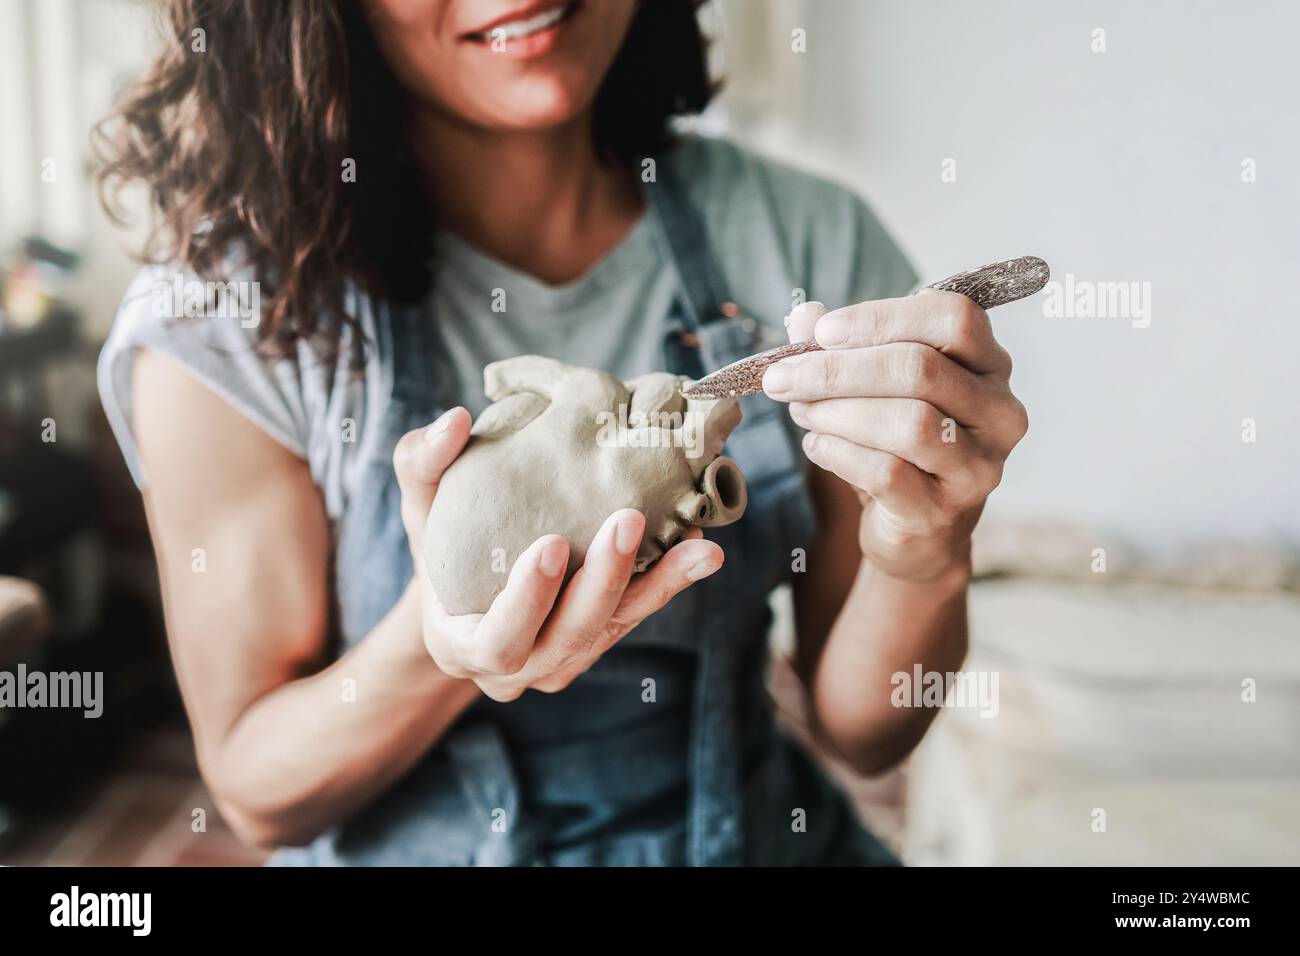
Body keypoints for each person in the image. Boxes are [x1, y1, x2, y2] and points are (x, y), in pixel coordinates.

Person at [95, 0, 1028, 865]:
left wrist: (923, 547)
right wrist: (442, 643)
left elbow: (865, 734)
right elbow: (260, 794)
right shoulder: (223, 321)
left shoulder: (805, 241)